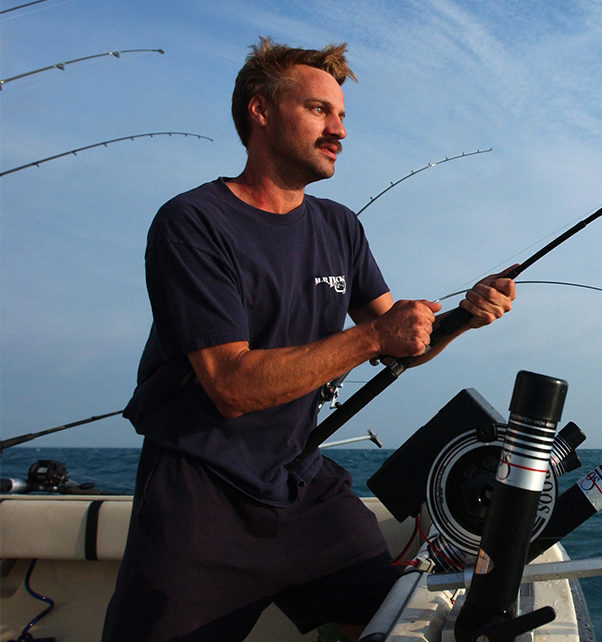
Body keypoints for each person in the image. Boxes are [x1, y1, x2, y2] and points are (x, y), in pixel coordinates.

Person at [101, 37, 516, 641]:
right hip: (201, 498)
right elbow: (231, 385)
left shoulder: (339, 226)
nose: (340, 130)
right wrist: (375, 335)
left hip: (302, 486)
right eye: (320, 110)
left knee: (406, 625)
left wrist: (462, 317)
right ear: (260, 111)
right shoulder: (192, 222)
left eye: (342, 115)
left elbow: (405, 344)